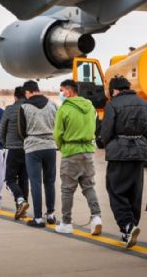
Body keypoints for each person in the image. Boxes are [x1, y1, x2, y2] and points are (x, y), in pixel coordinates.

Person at [101, 76, 147, 247]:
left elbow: (106, 132)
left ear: (114, 90)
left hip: (119, 152)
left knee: (115, 190)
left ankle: (127, 224)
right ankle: (129, 229)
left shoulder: (113, 104)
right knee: (134, 191)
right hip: (139, 150)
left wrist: (109, 144)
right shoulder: (144, 103)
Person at [54, 79, 103, 236]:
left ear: (68, 91)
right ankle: (96, 217)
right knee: (89, 186)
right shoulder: (89, 106)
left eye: (62, 90)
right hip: (88, 151)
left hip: (71, 151)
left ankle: (66, 223)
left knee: (67, 189)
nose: (60, 94)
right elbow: (94, 126)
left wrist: (63, 147)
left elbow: (57, 134)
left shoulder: (64, 109)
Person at [18, 80, 59, 228]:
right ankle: (51, 214)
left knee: (35, 183)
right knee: (49, 181)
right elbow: (58, 125)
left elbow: (21, 131)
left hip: (33, 148)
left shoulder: (24, 107)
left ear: (27, 92)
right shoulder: (53, 104)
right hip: (50, 146)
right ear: (38, 89)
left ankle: (38, 218)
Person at [0, 86, 30, 220]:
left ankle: (20, 200)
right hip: (28, 149)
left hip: (12, 148)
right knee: (24, 179)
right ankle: (22, 209)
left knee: (9, 179)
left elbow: (1, 129)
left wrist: (4, 143)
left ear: (15, 97)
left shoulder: (10, 109)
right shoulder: (30, 109)